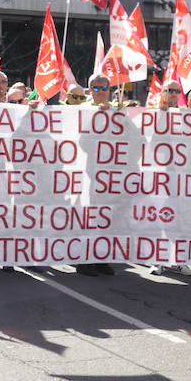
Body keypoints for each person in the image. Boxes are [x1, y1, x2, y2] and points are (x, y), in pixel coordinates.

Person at [149, 79, 191, 277]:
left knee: (180, 220)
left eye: (177, 91)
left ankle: (179, 260)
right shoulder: (151, 114)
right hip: (159, 177)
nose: (174, 94)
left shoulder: (187, 115)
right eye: (170, 90)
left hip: (182, 178)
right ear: (162, 92)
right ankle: (156, 260)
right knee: (159, 219)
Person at [72, 74, 116, 277]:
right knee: (88, 219)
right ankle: (83, 261)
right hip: (88, 175)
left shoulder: (120, 112)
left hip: (112, 177)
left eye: (104, 88)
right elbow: (79, 142)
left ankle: (101, 259)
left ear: (109, 89)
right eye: (96, 89)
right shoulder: (82, 112)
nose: (100, 92)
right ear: (90, 91)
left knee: (108, 219)